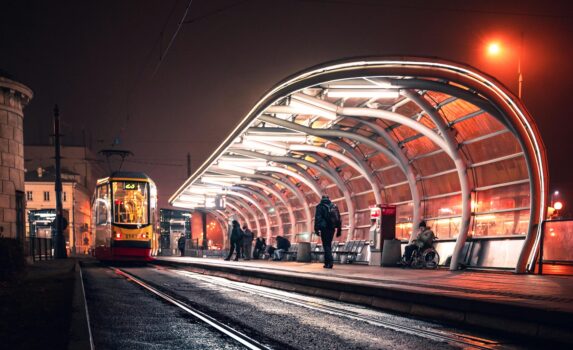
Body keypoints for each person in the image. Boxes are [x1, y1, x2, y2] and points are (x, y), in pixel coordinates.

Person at [314, 194, 341, 269]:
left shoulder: (320, 206)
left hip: (324, 228)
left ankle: (330, 262)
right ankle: (327, 263)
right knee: (328, 245)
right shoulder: (334, 206)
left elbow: (317, 218)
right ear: (329, 199)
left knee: (326, 245)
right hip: (332, 228)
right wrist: (339, 229)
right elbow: (339, 218)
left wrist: (316, 229)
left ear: (322, 199)